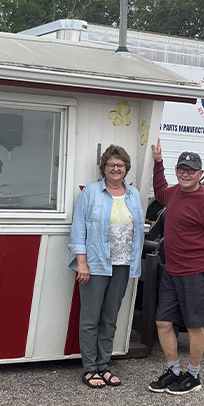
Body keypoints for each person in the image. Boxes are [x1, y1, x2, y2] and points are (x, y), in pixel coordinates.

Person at [148, 141, 204, 395]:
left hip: (196, 272)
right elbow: (160, 190)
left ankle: (193, 376)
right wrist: (158, 163)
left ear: (200, 173)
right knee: (163, 322)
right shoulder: (174, 193)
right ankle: (173, 371)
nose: (185, 174)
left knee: (195, 326)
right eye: (181, 169)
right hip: (172, 271)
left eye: (191, 170)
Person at [69, 145, 144, 388]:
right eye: (111, 164)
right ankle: (90, 369)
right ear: (104, 168)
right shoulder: (91, 192)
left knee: (110, 318)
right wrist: (82, 262)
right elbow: (79, 228)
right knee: (91, 319)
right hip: (96, 263)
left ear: (126, 169)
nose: (115, 169)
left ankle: (104, 365)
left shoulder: (133, 195)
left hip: (123, 264)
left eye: (120, 165)